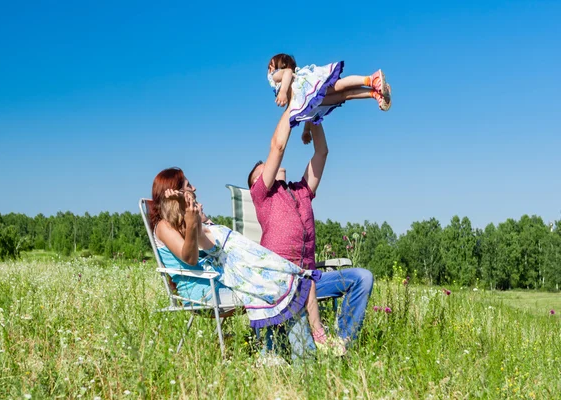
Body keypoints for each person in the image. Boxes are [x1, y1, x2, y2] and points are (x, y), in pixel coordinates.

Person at [248, 110, 374, 355]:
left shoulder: (302, 192)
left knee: (363, 277)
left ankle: (342, 344)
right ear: (257, 183)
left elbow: (321, 152)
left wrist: (314, 114)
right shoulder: (263, 197)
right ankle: (309, 345)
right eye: (262, 170)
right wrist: (295, 105)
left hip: (312, 280)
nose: (269, 167)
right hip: (284, 284)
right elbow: (278, 146)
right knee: (307, 356)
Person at [150, 167, 322, 334]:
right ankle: (291, 350)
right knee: (273, 288)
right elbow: (190, 259)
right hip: (203, 292)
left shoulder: (186, 222)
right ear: (174, 192)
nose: (194, 188)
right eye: (188, 185)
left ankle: (277, 349)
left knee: (280, 283)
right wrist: (192, 222)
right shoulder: (163, 226)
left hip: (218, 281)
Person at [267, 53, 392, 143]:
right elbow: (305, 106)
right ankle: (375, 93)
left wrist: (282, 91)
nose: (268, 69)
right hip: (311, 98)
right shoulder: (286, 86)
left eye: (270, 66)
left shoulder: (275, 77)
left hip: (310, 88)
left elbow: (288, 72)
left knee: (339, 86)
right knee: (343, 96)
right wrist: (306, 130)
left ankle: (371, 79)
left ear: (277, 66)